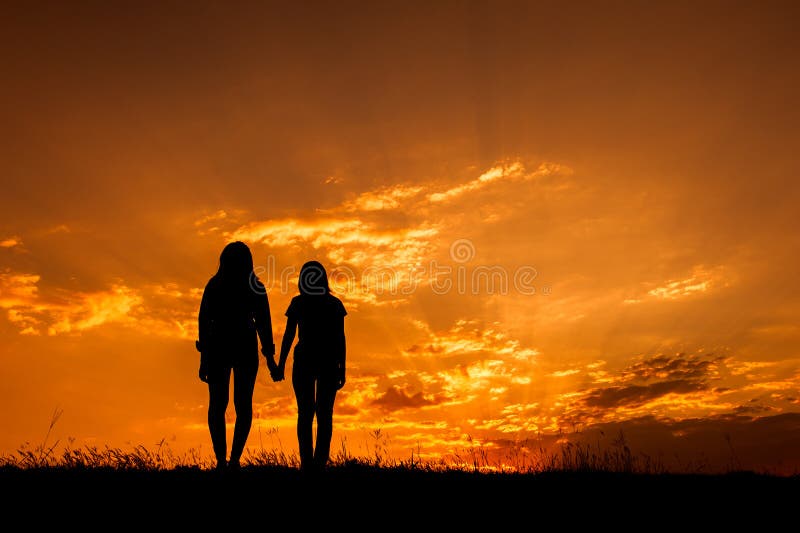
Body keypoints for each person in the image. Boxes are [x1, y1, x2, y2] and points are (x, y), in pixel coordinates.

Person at [196, 241, 276, 470]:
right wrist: (270, 360)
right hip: (240, 345)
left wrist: (204, 358)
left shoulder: (214, 286)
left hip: (221, 345)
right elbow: (264, 325)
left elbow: (204, 321)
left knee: (219, 404)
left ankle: (224, 460)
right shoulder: (254, 287)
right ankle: (232, 460)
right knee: (240, 404)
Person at [274, 260, 347, 471]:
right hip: (326, 362)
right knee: (322, 414)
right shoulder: (334, 305)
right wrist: (343, 367)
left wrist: (280, 364)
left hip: (309, 361)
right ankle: (316, 463)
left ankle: (310, 463)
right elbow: (340, 339)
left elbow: (289, 336)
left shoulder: (299, 303)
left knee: (307, 413)